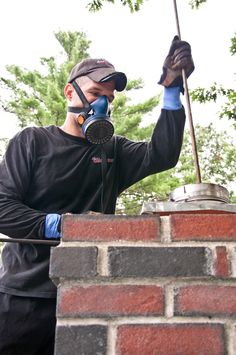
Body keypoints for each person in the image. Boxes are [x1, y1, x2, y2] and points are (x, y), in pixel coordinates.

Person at [0, 36, 194, 354]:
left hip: (89, 294)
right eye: (94, 94)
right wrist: (64, 226)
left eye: (109, 97)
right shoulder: (32, 142)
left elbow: (162, 155)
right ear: (69, 92)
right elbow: (2, 207)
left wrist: (172, 90)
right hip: (24, 297)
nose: (102, 104)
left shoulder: (112, 151)